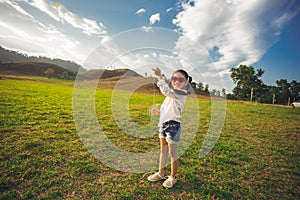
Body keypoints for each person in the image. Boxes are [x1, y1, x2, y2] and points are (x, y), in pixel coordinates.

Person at [147, 67, 192, 188]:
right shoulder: (171, 95)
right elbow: (167, 108)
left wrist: (159, 76)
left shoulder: (182, 93)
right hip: (163, 125)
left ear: (186, 82)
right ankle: (161, 173)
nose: (176, 81)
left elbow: (166, 91)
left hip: (173, 125)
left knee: (172, 153)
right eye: (174, 78)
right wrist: (159, 111)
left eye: (180, 79)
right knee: (163, 151)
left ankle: (172, 177)